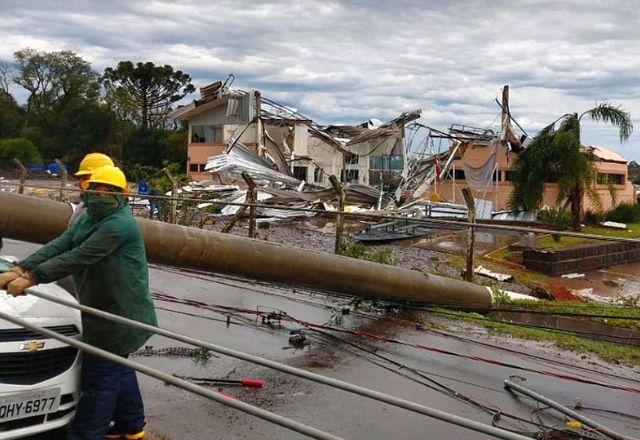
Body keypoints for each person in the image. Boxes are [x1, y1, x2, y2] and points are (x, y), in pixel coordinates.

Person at [0, 165, 158, 440]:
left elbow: (80, 255)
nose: (99, 194)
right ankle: (131, 426)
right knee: (117, 368)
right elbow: (62, 244)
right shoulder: (89, 219)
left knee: (100, 378)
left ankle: (86, 435)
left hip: (120, 312)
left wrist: (34, 277)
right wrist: (22, 267)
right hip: (103, 306)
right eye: (95, 188)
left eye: (108, 191)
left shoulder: (118, 225)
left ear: (122, 196)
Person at [68, 153, 115, 226]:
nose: (79, 183)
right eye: (80, 178)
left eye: (85, 179)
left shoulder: (109, 216)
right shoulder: (84, 205)